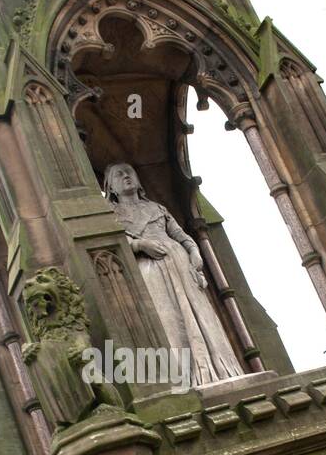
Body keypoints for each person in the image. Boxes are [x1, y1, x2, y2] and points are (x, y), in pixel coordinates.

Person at [102, 161, 243, 387]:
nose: (126, 176)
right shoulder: (110, 212)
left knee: (200, 314)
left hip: (179, 261)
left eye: (130, 172)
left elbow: (181, 235)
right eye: (119, 175)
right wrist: (139, 245)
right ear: (110, 187)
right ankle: (185, 377)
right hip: (149, 268)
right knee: (168, 318)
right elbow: (111, 242)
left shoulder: (157, 208)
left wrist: (194, 251)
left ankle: (219, 370)